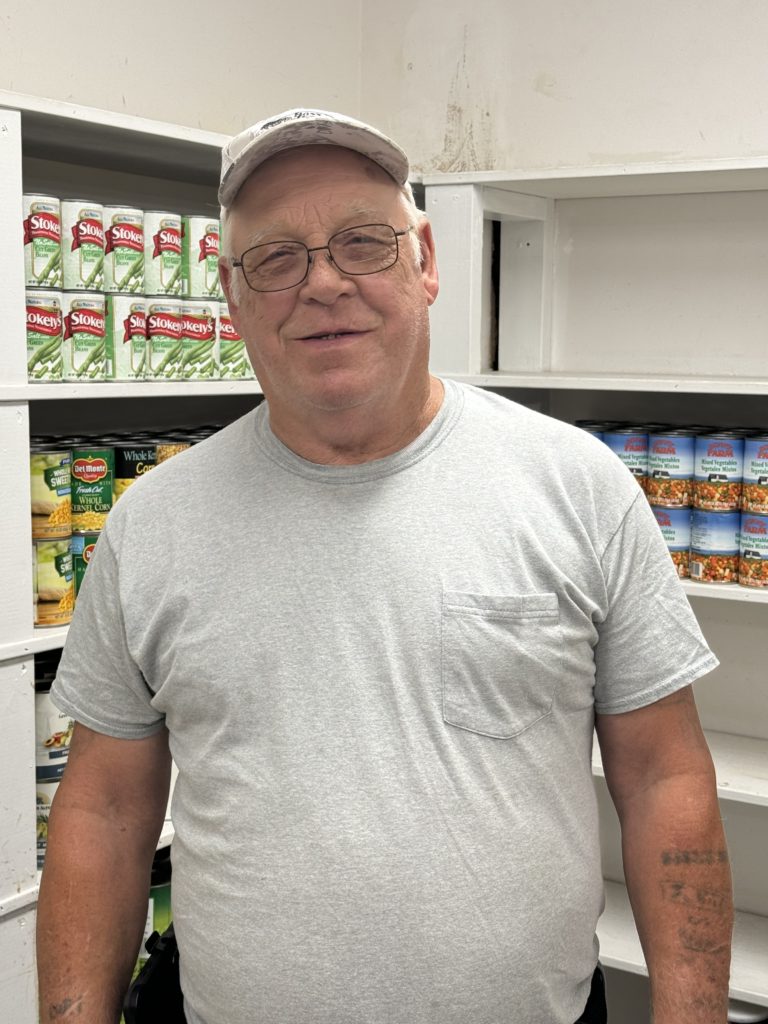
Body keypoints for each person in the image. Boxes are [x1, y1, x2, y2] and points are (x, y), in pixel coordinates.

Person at [38, 108, 733, 1024]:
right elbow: (104, 817)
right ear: (232, 294)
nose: (323, 284)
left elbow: (664, 781)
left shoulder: (577, 485)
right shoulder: (152, 524)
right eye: (275, 259)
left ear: (427, 261)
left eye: (364, 243)